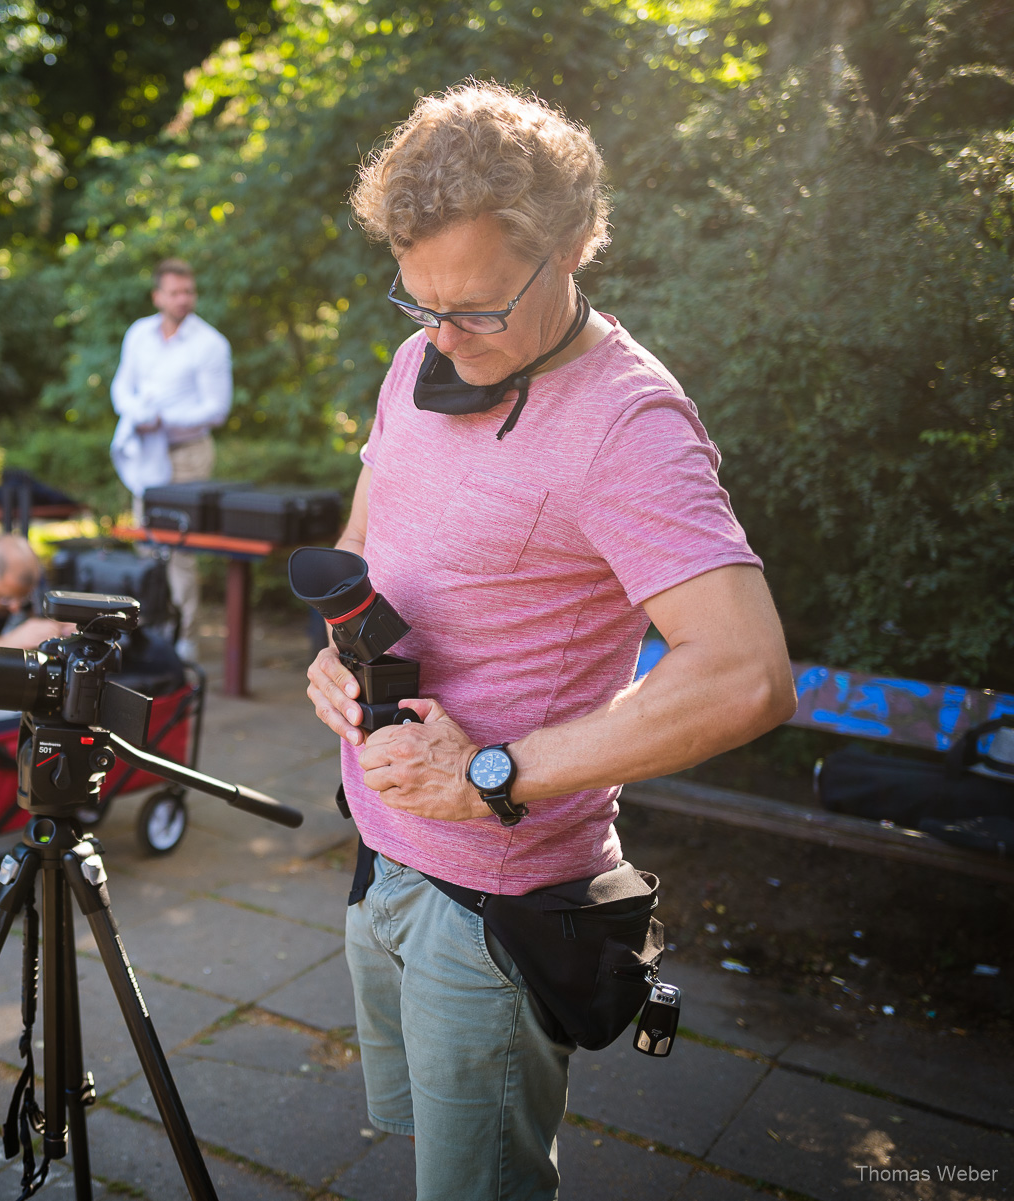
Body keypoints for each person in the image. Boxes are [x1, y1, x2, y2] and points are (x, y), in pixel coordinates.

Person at [305, 83, 797, 1200]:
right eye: (418, 302)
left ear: (576, 244)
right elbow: (362, 545)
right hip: (379, 858)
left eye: (477, 308)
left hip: (495, 915)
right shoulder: (417, 364)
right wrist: (333, 660)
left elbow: (748, 675)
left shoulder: (629, 425)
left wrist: (495, 772)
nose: (443, 337)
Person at [108, 258, 232, 662]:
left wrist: (163, 420)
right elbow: (122, 386)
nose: (184, 299)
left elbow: (217, 410)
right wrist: (135, 415)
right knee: (147, 546)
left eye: (189, 292)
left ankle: (186, 640)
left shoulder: (210, 344)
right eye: (175, 292)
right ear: (157, 295)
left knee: (179, 553)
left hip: (187, 456)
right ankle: (148, 631)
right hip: (146, 455)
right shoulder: (139, 333)